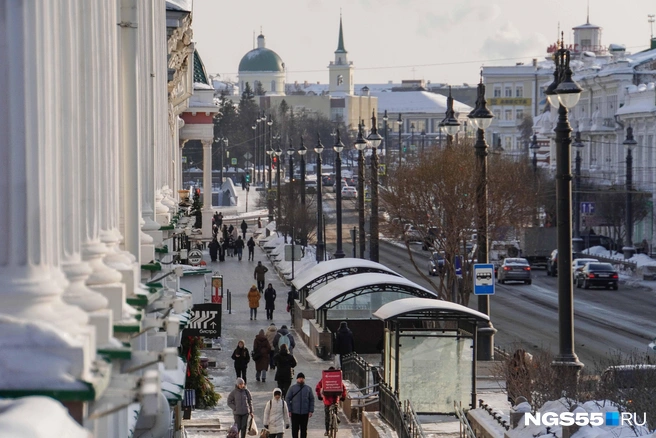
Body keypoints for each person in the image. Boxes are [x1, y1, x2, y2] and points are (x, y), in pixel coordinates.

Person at [316, 367, 347, 436]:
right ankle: (336, 420)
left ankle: (327, 431)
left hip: (327, 400)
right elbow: (343, 388)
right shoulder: (337, 379)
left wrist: (319, 396)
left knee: (327, 416)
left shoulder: (324, 378)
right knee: (336, 410)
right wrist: (343, 397)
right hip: (335, 399)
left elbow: (318, 388)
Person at [286, 373, 315, 438]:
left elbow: (311, 400)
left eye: (302, 378)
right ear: (297, 379)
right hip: (295, 412)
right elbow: (287, 399)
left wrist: (311, 410)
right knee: (295, 429)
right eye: (299, 378)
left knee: (304, 430)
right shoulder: (292, 388)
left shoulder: (308, 389)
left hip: (305, 413)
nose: (301, 379)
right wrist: (289, 410)